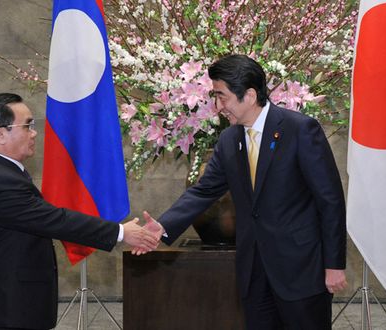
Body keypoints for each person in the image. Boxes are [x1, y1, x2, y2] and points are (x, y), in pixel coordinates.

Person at [139, 55, 348, 329]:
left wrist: (334, 265)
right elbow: (204, 191)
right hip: (254, 272)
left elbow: (330, 201)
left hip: (301, 270)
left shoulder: (300, 130)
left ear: (249, 95)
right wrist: (163, 226)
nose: (217, 107)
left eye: (222, 97)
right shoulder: (229, 140)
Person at [0, 93, 158, 330]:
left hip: (12, 303)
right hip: (3, 308)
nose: (34, 133)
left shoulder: (1, 170)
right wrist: (120, 232)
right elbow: (54, 220)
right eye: (27, 126)